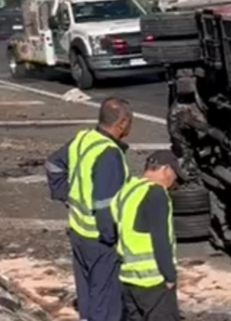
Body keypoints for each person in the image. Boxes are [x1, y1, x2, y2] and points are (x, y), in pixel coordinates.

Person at [46, 98, 134, 321]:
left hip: (78, 232)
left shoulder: (83, 138)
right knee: (105, 301)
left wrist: (65, 193)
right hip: (99, 239)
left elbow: (53, 164)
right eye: (130, 122)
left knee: (88, 294)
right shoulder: (109, 154)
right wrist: (112, 238)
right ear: (122, 123)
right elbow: (105, 204)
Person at [113, 150, 181, 321]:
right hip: (153, 281)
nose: (174, 181)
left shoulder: (127, 191)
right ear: (166, 169)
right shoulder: (156, 194)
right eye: (174, 175)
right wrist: (170, 276)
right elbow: (161, 239)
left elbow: (112, 229)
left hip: (128, 278)